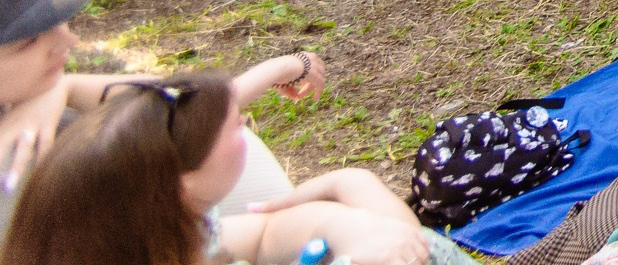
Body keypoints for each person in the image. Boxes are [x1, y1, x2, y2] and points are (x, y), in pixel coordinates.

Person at [2, 69, 473, 265]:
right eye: (233, 130)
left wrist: (352, 202)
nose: (247, 125)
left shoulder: (160, 234)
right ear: (177, 187)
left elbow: (261, 235)